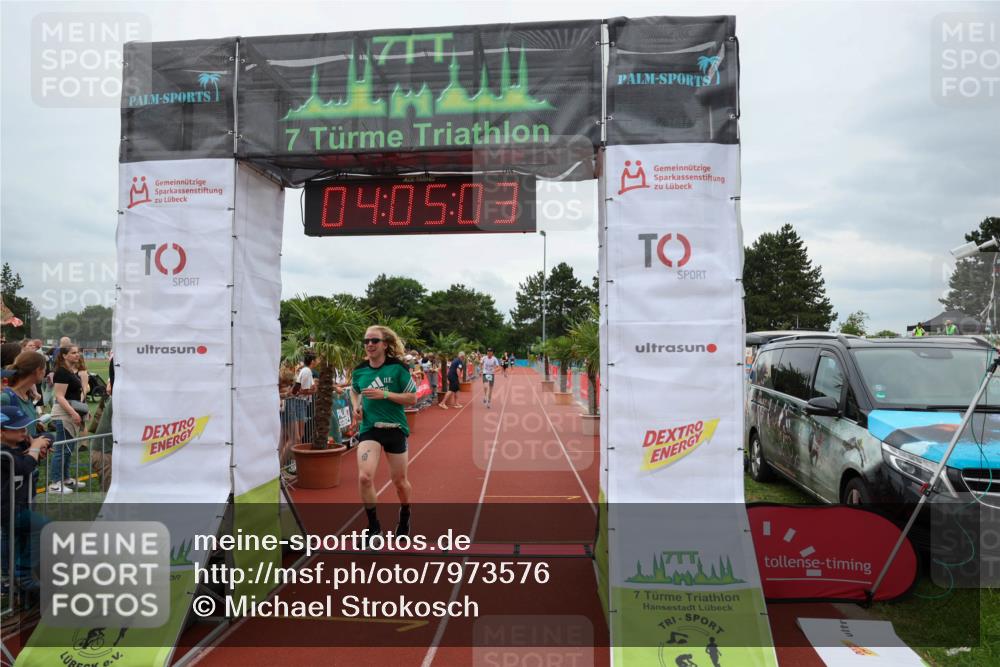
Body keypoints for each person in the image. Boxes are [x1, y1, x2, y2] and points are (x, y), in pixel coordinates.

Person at [351, 325, 417, 536]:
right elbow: (354, 391)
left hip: (395, 429)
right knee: (364, 477)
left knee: (399, 482)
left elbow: (412, 398)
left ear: (385, 344)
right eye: (366, 341)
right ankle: (374, 528)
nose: (369, 344)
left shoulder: (398, 368)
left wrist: (385, 395)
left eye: (374, 340)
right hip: (370, 429)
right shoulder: (359, 370)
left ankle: (405, 514)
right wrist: (356, 406)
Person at [1, 404, 52, 601]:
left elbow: (48, 436)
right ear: (2, 432)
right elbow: (24, 466)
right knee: (43, 527)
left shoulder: (19, 444)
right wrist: (34, 449)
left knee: (11, 536)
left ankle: (8, 576)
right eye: (19, 429)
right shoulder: (3, 453)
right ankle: (22, 573)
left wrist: (39, 443)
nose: (24, 431)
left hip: (17, 504)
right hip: (8, 507)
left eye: (25, 427)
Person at [49, 345, 86, 494]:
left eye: (78, 352)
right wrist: (73, 413)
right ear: (64, 355)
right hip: (64, 415)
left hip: (71, 413)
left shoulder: (70, 371)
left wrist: (82, 410)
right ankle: (55, 484)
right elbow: (59, 396)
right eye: (73, 353)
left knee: (68, 450)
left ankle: (65, 479)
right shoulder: (62, 372)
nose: (77, 355)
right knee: (61, 450)